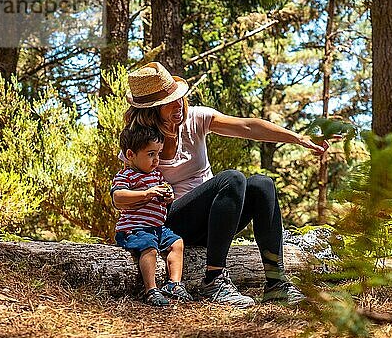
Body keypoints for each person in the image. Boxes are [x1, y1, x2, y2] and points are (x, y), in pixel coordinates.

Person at [115, 61, 330, 309]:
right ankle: (214, 280)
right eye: (169, 102)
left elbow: (249, 126)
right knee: (233, 178)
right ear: (153, 110)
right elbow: (126, 187)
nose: (178, 105)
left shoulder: (195, 118)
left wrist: (298, 138)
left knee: (262, 185)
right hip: (169, 224)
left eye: (179, 97)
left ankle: (276, 283)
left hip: (217, 221)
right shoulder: (139, 138)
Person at [111, 124, 193, 306]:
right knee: (149, 248)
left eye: (158, 153)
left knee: (177, 243)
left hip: (157, 228)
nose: (156, 159)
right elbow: (118, 196)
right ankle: (151, 289)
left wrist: (167, 196)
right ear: (131, 155)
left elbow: (165, 195)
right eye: (151, 154)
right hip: (134, 228)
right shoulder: (127, 175)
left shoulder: (156, 176)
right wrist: (146, 194)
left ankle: (174, 283)